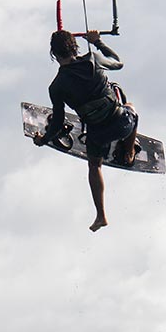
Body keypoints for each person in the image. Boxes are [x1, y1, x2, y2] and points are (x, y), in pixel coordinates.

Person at [33, 29, 139, 232]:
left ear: (54, 55)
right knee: (132, 109)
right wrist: (97, 41)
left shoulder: (56, 87)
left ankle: (101, 215)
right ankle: (129, 151)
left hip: (97, 134)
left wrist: (44, 139)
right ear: (75, 47)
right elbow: (118, 62)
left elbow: (57, 123)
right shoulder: (93, 60)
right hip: (121, 123)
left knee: (94, 167)